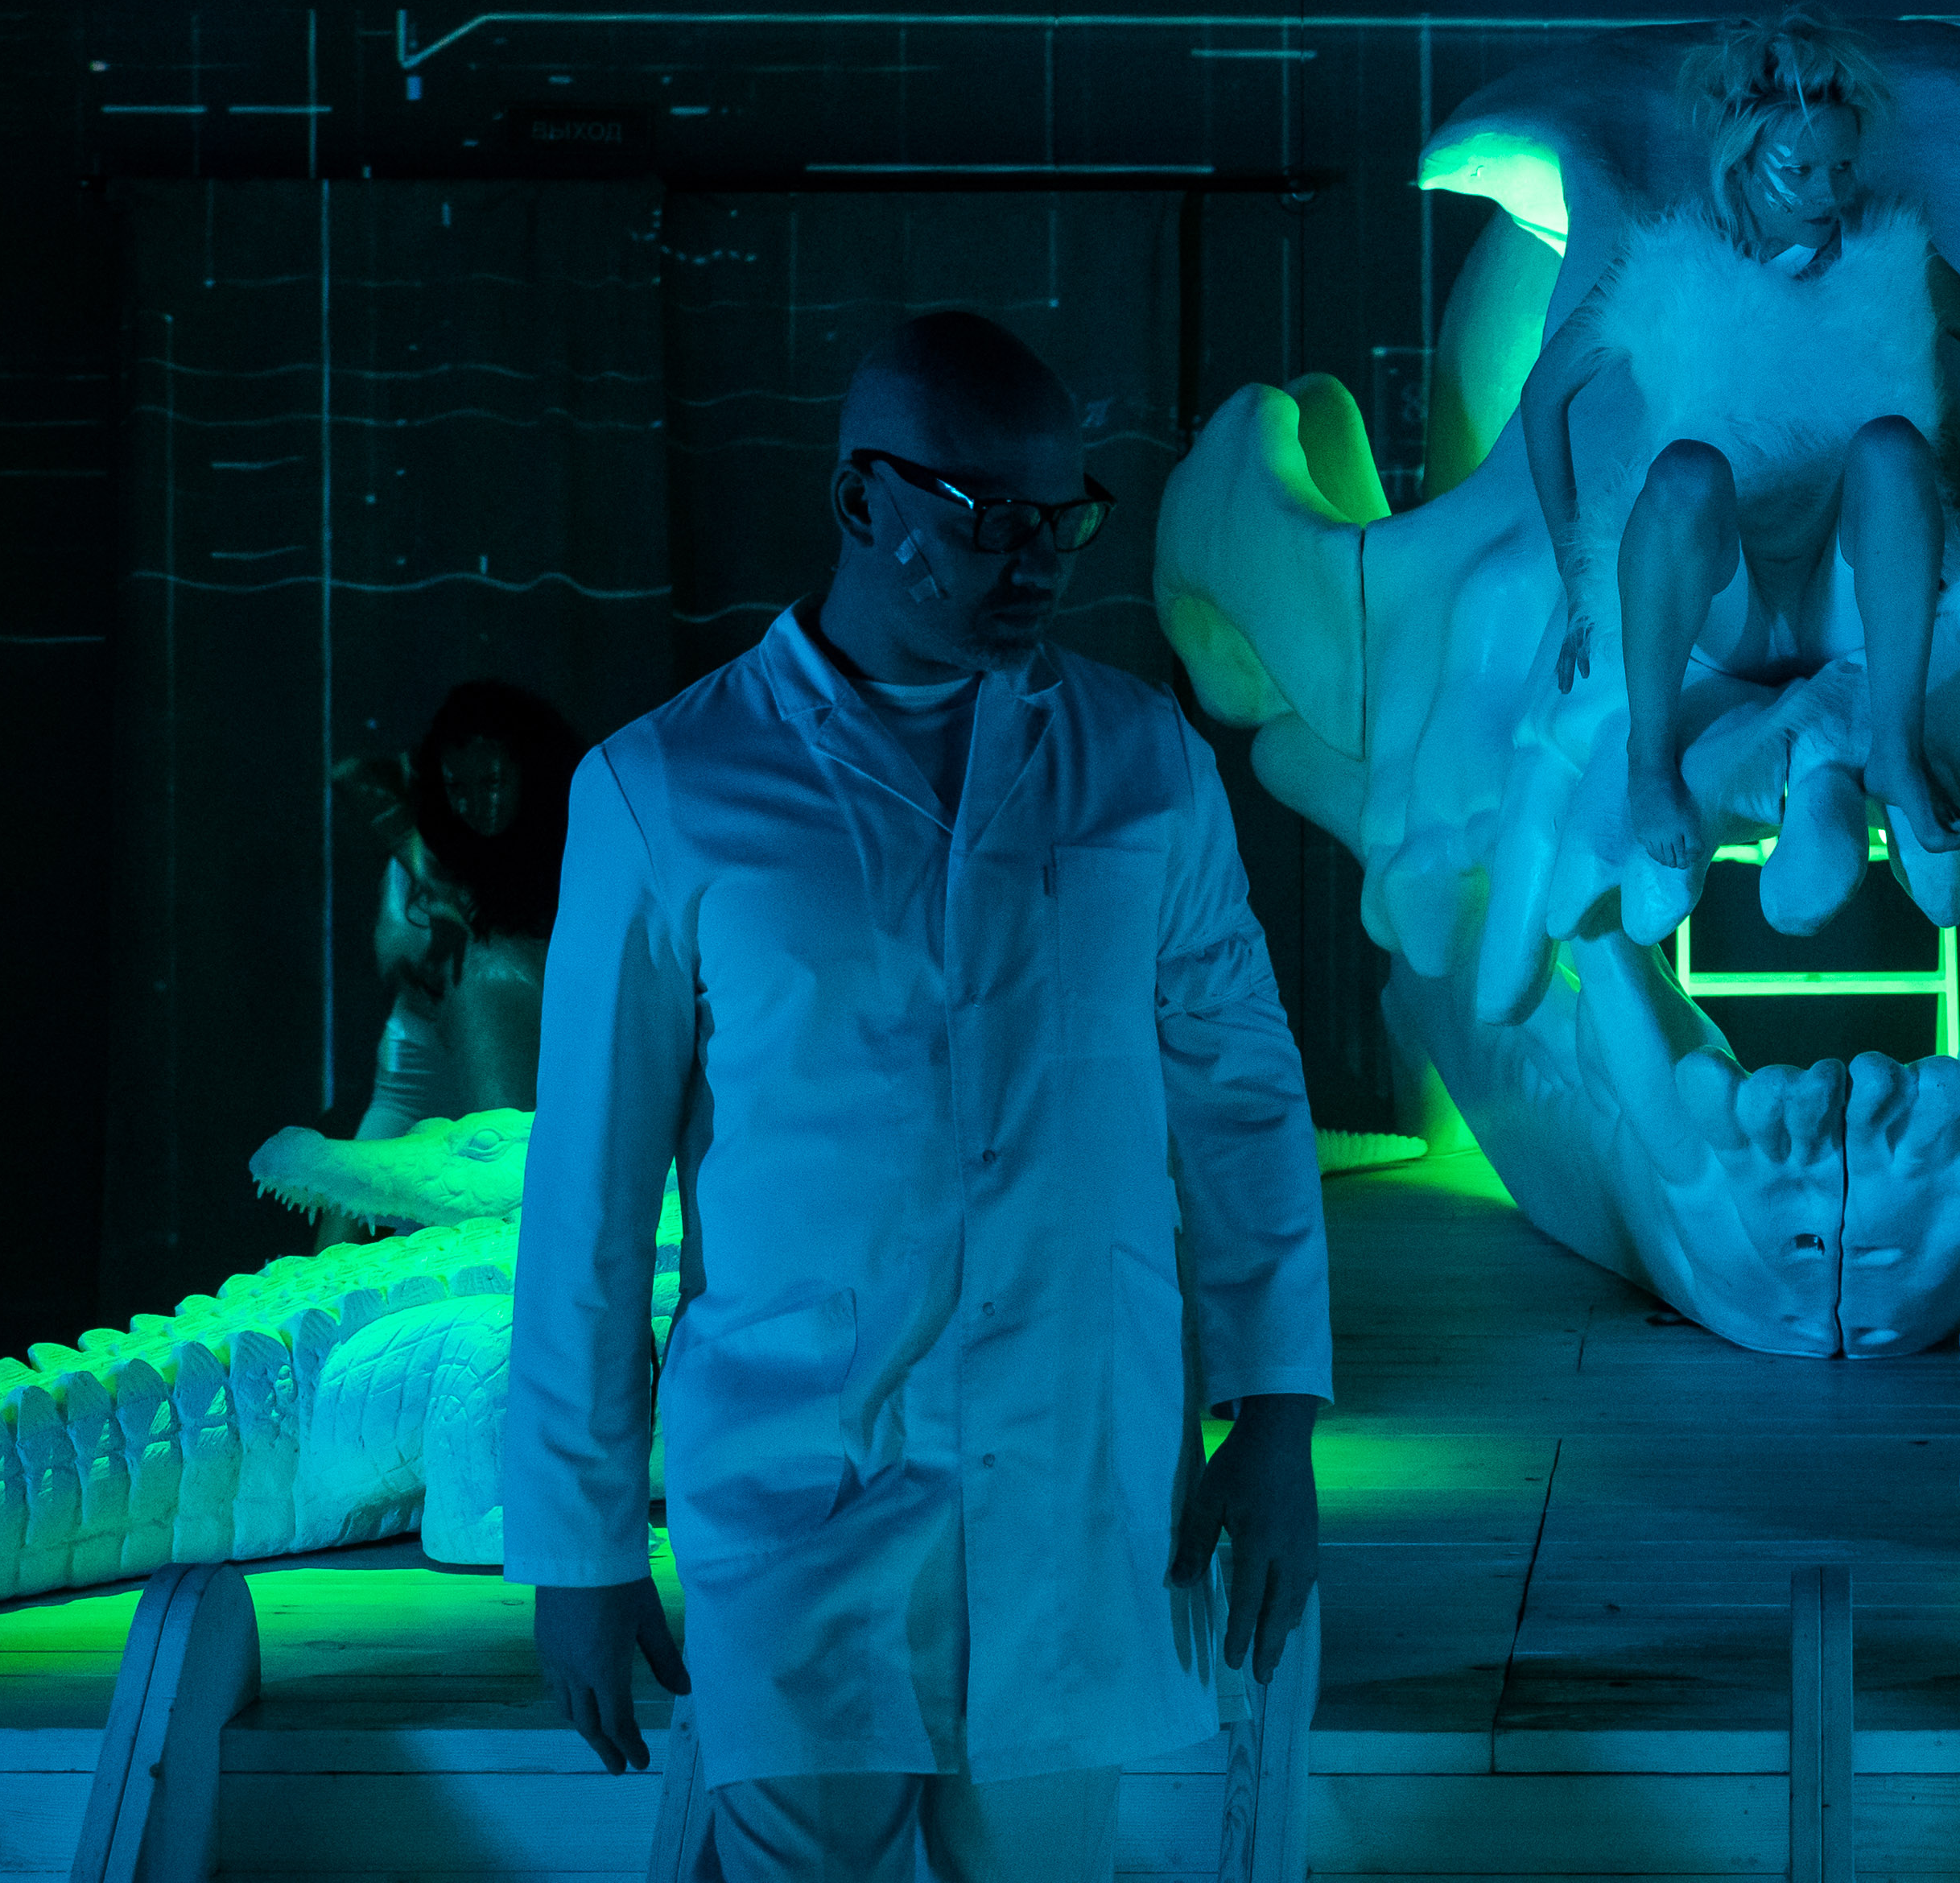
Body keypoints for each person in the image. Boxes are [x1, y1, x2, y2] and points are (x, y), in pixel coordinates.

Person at [505, 312, 1332, 1883]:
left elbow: (1242, 1100)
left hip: (1074, 1469)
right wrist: (581, 1550)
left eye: (1062, 520)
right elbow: (587, 1209)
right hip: (798, 1484)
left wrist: (1277, 1423)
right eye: (987, 517)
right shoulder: (667, 791)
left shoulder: (1142, 768)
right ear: (860, 498)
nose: (1036, 561)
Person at [1520, 11, 1960, 875]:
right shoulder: (1669, 269)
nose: (1831, 192)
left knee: (1895, 447)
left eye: (1844, 167)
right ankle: (1649, 762)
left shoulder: (1889, 257)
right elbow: (1543, 399)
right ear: (1742, 164)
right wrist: (1576, 574)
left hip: (1849, 596)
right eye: (1801, 171)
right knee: (1684, 471)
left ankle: (1896, 751)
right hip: (1724, 604)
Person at [332, 678, 580, 1136]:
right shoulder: (427, 837)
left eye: (492, 782)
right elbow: (350, 772)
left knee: (497, 1160)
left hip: (510, 1052)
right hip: (418, 1052)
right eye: (456, 785)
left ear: (527, 768)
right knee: (363, 1174)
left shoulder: (569, 836)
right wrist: (430, 878)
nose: (476, 804)